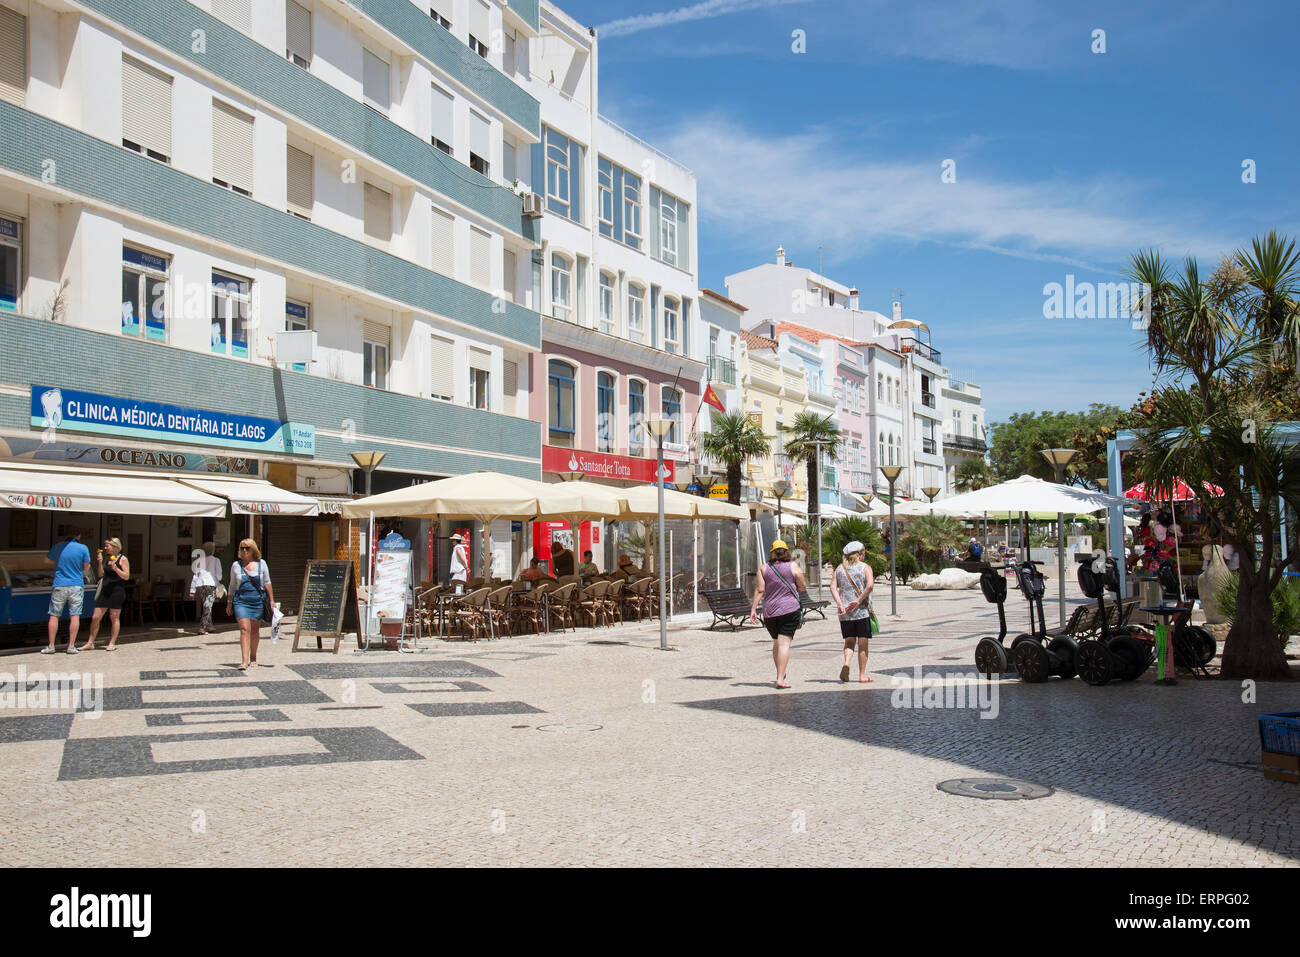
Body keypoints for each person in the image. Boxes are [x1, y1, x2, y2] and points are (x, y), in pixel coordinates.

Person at [749, 539, 807, 689]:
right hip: (789, 609)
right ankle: (780, 678)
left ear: (772, 553)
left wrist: (753, 610)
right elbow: (802, 585)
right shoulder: (793, 566)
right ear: (786, 552)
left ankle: (780, 673)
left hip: (770, 612)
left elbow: (760, 590)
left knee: (776, 642)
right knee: (784, 644)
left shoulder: (763, 568)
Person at [226, 538, 274, 671]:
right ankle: (244, 660)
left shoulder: (261, 563)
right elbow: (232, 586)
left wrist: (271, 600)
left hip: (257, 600)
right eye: (242, 548)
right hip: (241, 601)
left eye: (247, 548)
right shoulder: (236, 565)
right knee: (244, 629)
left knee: (254, 631)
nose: (244, 550)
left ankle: (253, 657)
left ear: (253, 550)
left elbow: (267, 583)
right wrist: (229, 603)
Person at [831, 541, 874, 683]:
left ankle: (846, 663)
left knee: (849, 642)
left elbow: (832, 588)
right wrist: (859, 600)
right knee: (863, 644)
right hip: (862, 611)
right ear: (859, 554)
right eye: (863, 552)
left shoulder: (839, 569)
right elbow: (870, 585)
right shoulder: (865, 568)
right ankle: (862, 676)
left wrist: (840, 605)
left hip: (845, 614)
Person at [43, 531, 91, 654]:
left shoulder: (58, 546)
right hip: (76, 585)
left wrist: (58, 562)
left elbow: (46, 561)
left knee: (54, 615)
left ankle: (51, 646)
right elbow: (86, 567)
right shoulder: (83, 548)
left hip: (59, 584)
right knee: (75, 615)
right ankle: (71, 646)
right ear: (79, 536)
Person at [82, 537, 130, 651]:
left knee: (114, 617)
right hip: (105, 590)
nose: (105, 548)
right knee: (95, 617)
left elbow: (126, 576)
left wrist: (116, 569)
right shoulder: (107, 559)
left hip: (117, 591)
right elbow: (101, 574)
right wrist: (99, 562)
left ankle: (112, 642)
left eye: (107, 546)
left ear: (115, 547)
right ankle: (90, 642)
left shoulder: (122, 559)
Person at [188, 541, 222, 635]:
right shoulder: (216, 560)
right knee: (208, 606)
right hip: (211, 585)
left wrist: (192, 590)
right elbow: (219, 576)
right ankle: (202, 627)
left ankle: (210, 626)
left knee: (206, 605)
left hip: (200, 585)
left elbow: (195, 576)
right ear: (213, 551)